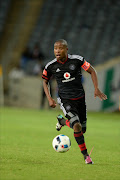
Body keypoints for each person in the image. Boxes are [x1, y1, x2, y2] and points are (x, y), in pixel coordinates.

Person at [42, 39, 107, 164]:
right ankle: (86, 156)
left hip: (80, 100)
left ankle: (62, 121)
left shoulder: (77, 60)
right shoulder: (50, 66)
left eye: (60, 48)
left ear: (66, 49)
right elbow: (44, 81)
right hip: (65, 100)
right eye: (55, 48)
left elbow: (92, 70)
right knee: (76, 125)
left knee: (82, 130)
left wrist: (96, 88)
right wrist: (49, 98)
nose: (57, 51)